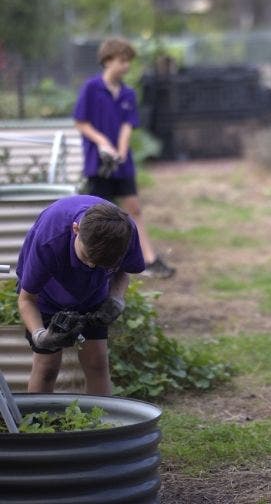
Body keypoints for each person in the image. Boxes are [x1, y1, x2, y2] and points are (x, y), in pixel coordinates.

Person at [16, 195, 145, 395]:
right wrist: (41, 336)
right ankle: (37, 423)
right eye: (87, 257)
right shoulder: (49, 240)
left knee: (97, 363)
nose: (91, 265)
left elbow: (122, 272)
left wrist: (116, 299)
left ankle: (102, 423)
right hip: (47, 296)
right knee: (47, 367)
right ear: (75, 229)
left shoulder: (125, 233)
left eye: (102, 264)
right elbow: (26, 299)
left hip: (93, 294)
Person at [73, 36, 175, 279]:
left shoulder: (128, 93)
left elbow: (128, 125)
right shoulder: (91, 88)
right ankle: (95, 262)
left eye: (129, 61)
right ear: (107, 60)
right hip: (98, 164)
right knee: (98, 214)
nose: (126, 66)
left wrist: (120, 148)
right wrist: (103, 143)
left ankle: (148, 259)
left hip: (122, 163)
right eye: (122, 60)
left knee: (134, 208)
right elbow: (81, 122)